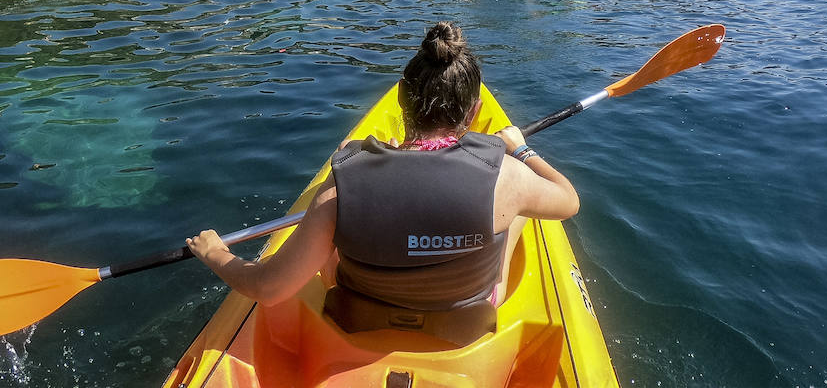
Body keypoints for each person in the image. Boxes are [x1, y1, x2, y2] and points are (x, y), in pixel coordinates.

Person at [187, 22, 579, 320]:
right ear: (474, 112)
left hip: (361, 319)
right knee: (519, 217)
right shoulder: (507, 175)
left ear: (402, 103)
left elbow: (267, 289)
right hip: (465, 322)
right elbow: (568, 201)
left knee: (333, 230)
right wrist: (521, 150)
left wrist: (215, 253)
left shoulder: (341, 186)